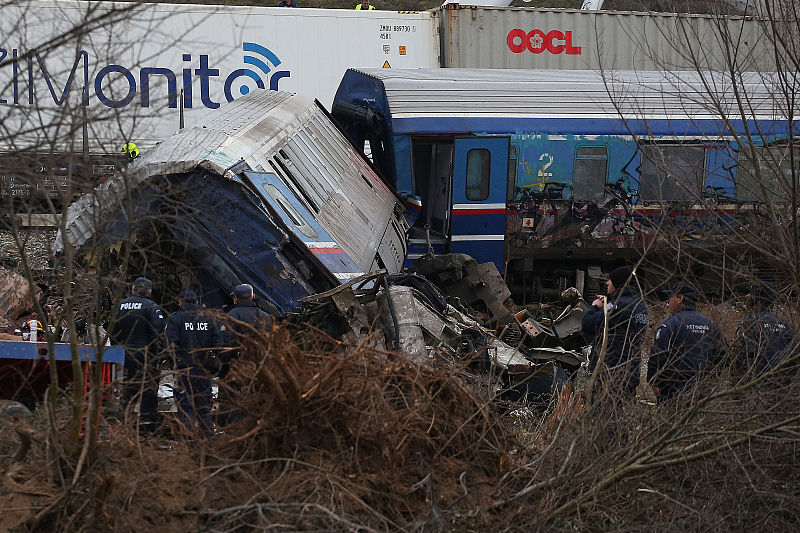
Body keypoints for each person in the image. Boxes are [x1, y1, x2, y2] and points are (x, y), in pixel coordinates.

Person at [647, 283, 726, 401]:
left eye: (671, 297)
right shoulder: (710, 325)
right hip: (704, 390)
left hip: (674, 390)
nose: (668, 302)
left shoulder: (670, 324)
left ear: (680, 299)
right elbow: (722, 355)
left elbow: (659, 356)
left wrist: (654, 383)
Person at [110, 277, 165, 435]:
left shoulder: (119, 306)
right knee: (148, 393)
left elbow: (113, 334)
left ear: (133, 289)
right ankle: (146, 430)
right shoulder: (152, 307)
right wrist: (158, 357)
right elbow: (158, 334)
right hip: (146, 356)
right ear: (149, 291)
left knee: (127, 392)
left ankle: (123, 428)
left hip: (124, 355)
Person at [581, 265, 649, 393]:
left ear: (619, 283)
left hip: (610, 373)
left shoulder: (618, 306)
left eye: (610, 279)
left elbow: (588, 325)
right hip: (630, 373)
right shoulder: (640, 305)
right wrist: (608, 303)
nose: (607, 283)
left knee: (601, 409)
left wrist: (595, 307)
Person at [165, 289, 221, 440]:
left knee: (185, 409)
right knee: (204, 408)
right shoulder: (209, 318)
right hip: (203, 371)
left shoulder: (176, 319)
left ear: (180, 302)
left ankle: (189, 444)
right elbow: (217, 344)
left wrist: (174, 363)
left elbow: (170, 345)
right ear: (197, 301)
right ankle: (208, 442)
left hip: (184, 370)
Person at [217, 283, 272, 425]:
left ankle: (233, 429)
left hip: (236, 367)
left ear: (235, 299)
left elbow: (224, 343)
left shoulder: (231, 316)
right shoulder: (266, 317)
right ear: (253, 297)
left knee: (232, 400)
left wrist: (224, 365)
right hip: (260, 367)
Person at [733, 280, 795, 378]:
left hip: (759, 382)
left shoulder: (749, 323)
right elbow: (794, 353)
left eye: (751, 294)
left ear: (756, 298)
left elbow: (743, 357)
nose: (747, 296)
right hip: (784, 380)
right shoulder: (783, 322)